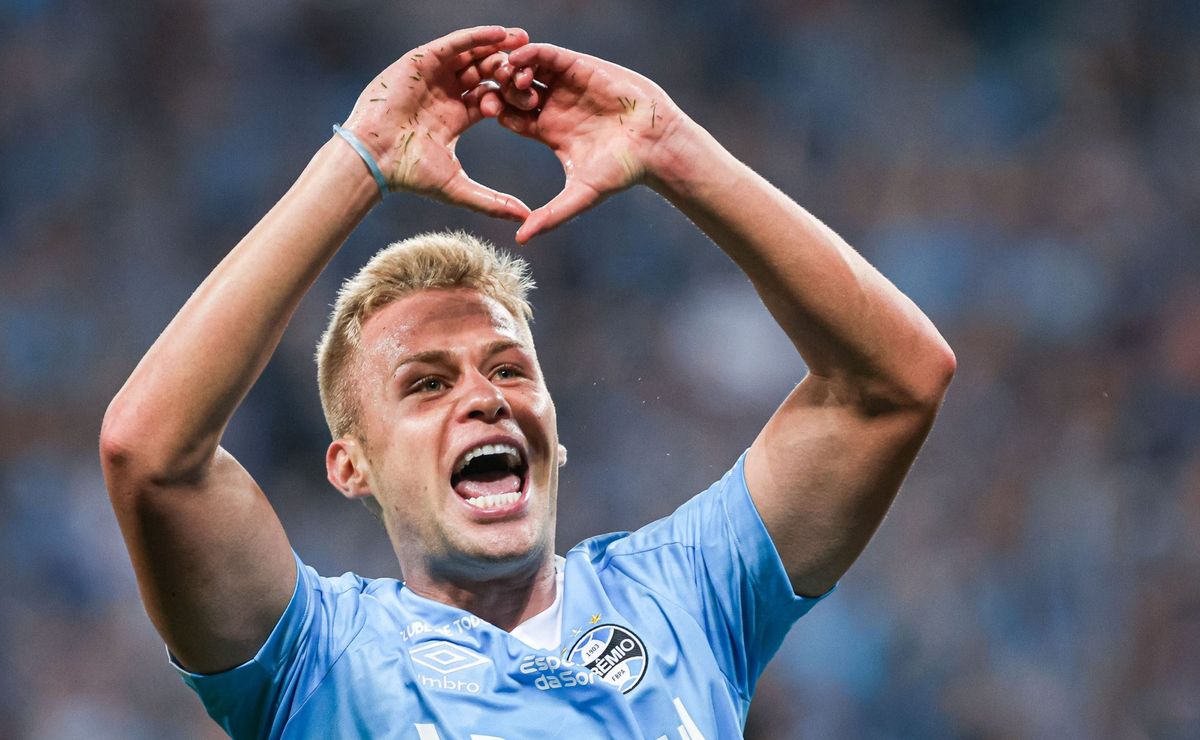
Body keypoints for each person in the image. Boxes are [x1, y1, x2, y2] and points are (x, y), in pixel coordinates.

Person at [99, 26, 955, 739]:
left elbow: (895, 382)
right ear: (351, 465)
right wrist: (358, 159)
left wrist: (672, 148)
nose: (486, 397)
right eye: (425, 385)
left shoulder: (685, 597)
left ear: (554, 426)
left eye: (509, 369)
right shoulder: (316, 661)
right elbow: (150, 456)